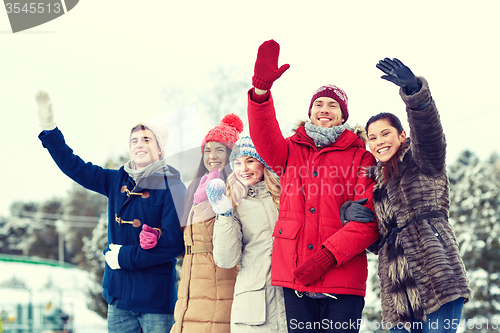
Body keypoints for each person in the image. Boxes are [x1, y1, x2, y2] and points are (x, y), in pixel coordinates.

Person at [247, 39, 379, 333]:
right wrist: (260, 93)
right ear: (310, 112)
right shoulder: (289, 151)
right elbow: (263, 134)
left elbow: (368, 220)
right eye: (318, 103)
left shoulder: (362, 157)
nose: (325, 108)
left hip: (343, 275)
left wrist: (326, 256)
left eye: (333, 105)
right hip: (295, 274)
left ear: (343, 115)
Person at [35, 90, 186, 333]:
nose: (139, 144)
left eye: (147, 140)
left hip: (156, 302)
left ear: (161, 150)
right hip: (118, 299)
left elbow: (174, 245)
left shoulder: (174, 187)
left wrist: (123, 257)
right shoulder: (116, 181)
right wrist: (50, 131)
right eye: (134, 140)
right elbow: (76, 167)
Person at [365, 58, 471, 333]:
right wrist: (354, 217)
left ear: (401, 135)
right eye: (373, 138)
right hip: (398, 291)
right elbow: (379, 243)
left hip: (437, 275)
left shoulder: (423, 160)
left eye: (385, 133)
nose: (380, 141)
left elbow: (429, 133)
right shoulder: (376, 186)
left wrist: (415, 94)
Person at [168, 113, 243, 333]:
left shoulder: (235, 186)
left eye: (220, 149)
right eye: (208, 150)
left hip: (218, 281)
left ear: (231, 153)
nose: (212, 156)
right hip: (190, 281)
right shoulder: (196, 187)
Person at [206, 136, 287, 332]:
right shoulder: (233, 203)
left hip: (291, 302)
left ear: (263, 163)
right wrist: (224, 215)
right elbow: (226, 260)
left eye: (250, 160)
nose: (244, 168)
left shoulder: (285, 196)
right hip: (254, 306)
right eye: (237, 163)